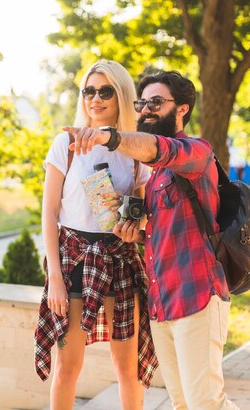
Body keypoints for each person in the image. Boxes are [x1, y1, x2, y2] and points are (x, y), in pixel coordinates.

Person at [64, 70, 238, 409]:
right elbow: (162, 235)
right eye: (142, 102)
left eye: (156, 102)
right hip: (162, 304)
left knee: (207, 402)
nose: (145, 109)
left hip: (197, 298)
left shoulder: (196, 153)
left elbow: (158, 148)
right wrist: (135, 235)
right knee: (183, 403)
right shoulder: (157, 176)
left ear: (183, 109)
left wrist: (107, 137)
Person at [34, 60, 158, 410]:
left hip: (121, 262)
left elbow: (144, 217)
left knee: (128, 369)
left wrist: (135, 227)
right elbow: (49, 213)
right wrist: (54, 278)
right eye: (89, 90)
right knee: (67, 368)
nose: (96, 99)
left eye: (106, 91)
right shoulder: (65, 143)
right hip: (74, 260)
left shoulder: (135, 152)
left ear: (121, 95)